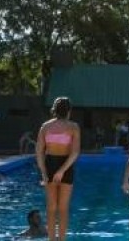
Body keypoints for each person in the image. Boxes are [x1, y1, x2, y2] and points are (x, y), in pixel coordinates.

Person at [36, 97, 81, 241]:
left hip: (50, 165)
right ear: (69, 111)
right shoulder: (73, 127)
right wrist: (62, 170)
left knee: (51, 208)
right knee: (63, 208)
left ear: (54, 110)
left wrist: (43, 172)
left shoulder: (45, 126)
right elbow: (75, 152)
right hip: (66, 166)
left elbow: (39, 152)